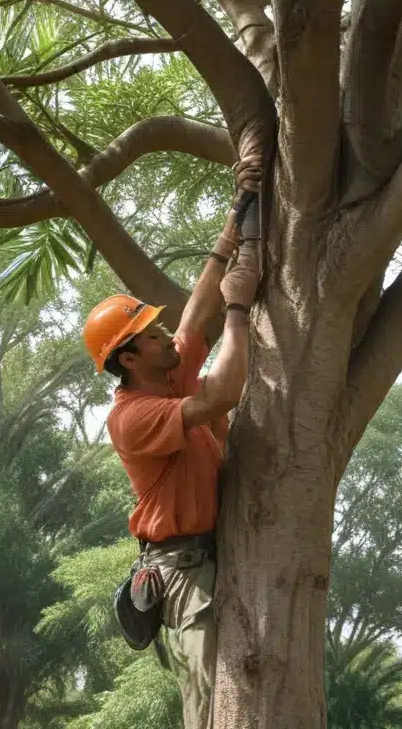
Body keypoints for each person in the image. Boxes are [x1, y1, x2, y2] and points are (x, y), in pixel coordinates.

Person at [82, 168, 261, 729]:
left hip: (216, 550)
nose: (166, 338)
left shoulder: (166, 374)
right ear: (130, 359)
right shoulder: (133, 416)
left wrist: (234, 224)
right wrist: (240, 308)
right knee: (208, 698)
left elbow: (193, 314)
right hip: (181, 572)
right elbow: (226, 391)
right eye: (151, 336)